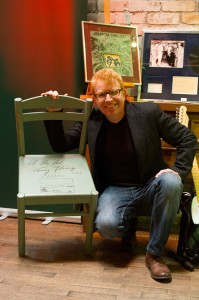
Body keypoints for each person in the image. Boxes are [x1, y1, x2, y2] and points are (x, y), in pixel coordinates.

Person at [42, 68, 197, 281]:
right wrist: (54, 112)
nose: (108, 99)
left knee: (171, 181)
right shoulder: (91, 119)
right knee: (106, 227)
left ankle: (154, 254)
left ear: (123, 93)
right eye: (101, 94)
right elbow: (61, 145)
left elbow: (188, 139)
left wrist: (177, 170)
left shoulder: (149, 113)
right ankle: (128, 229)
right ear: (94, 98)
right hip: (115, 190)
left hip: (150, 185)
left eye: (113, 92)